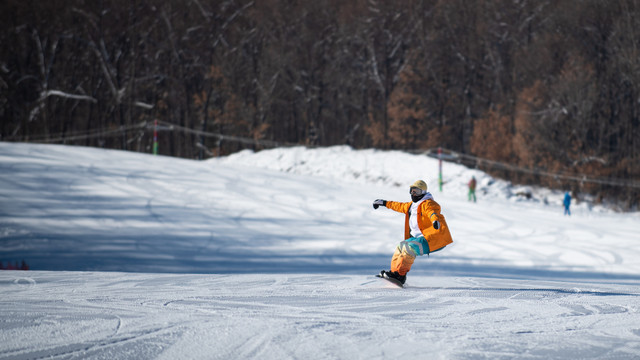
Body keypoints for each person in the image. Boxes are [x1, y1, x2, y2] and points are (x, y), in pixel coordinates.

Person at [372, 180, 453, 284]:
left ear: (423, 192)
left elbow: (432, 212)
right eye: (412, 191)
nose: (414, 194)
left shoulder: (428, 203)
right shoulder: (411, 205)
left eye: (417, 192)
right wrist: (384, 203)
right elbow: (399, 206)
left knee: (409, 248)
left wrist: (434, 220)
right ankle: (394, 273)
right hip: (418, 238)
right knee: (400, 247)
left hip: (431, 238)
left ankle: (400, 276)